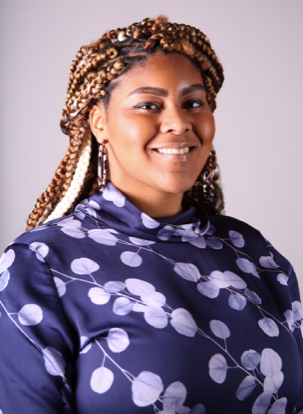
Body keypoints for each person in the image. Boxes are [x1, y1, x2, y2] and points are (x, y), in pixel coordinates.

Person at [0, 16, 302, 414]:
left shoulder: (252, 252)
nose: (179, 121)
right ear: (99, 122)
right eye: (148, 105)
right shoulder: (40, 265)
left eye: (193, 103)